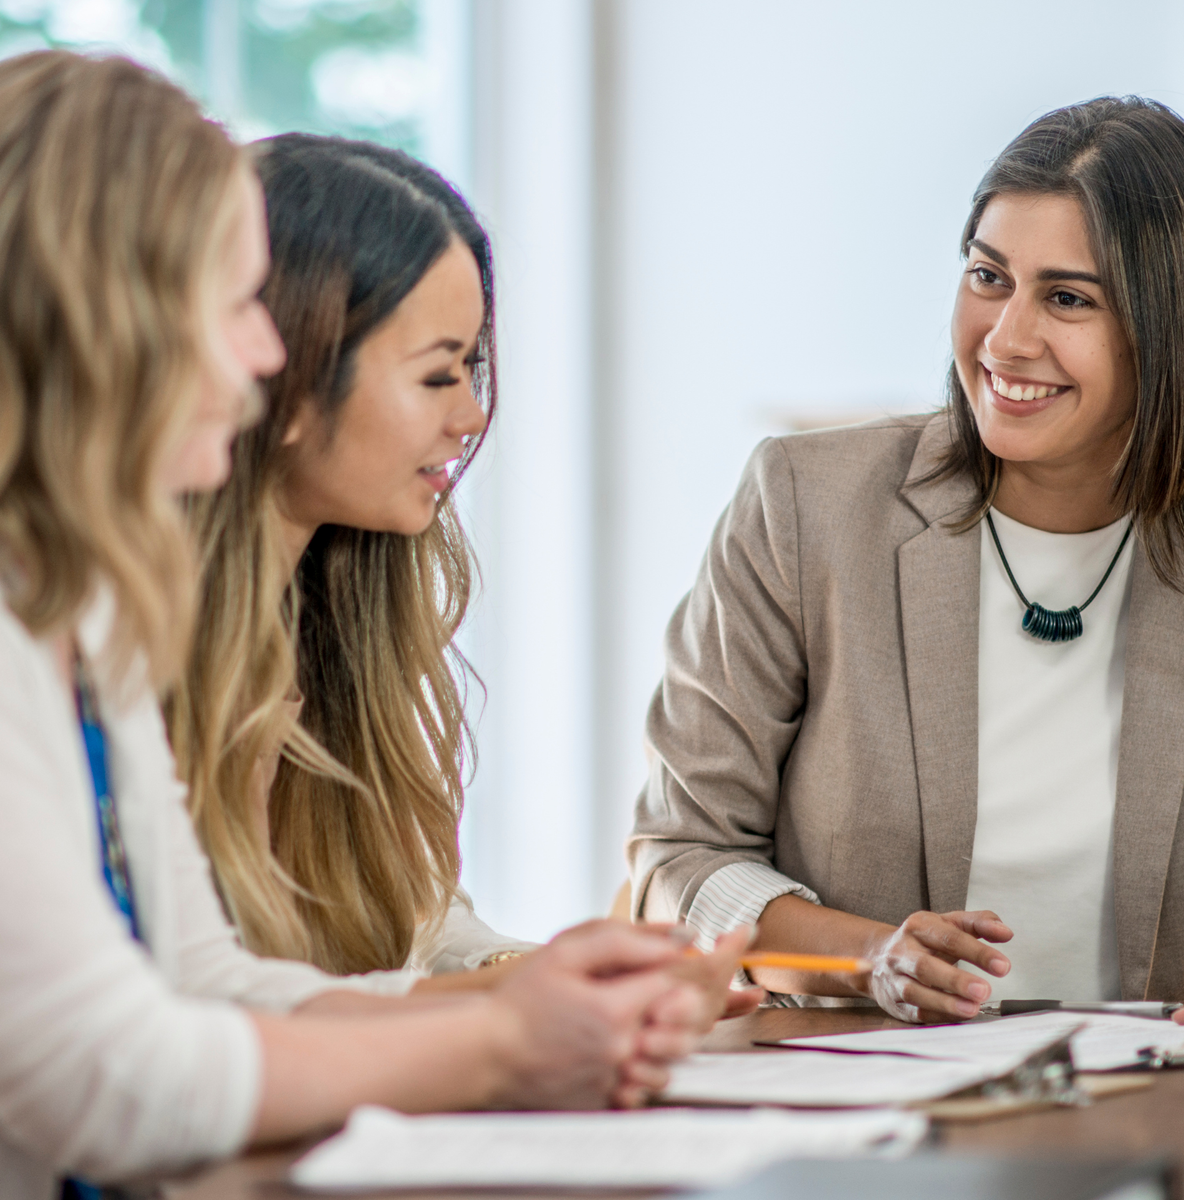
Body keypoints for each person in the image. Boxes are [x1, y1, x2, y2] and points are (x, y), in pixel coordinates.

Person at [0, 53, 709, 1200]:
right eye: (234, 304)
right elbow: (96, 1075)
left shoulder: (75, 610)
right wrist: (495, 1046)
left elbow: (202, 985)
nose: (262, 354)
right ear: (100, 314)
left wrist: (526, 998)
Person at [627, 96, 1184, 1038]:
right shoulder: (809, 505)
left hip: (1142, 1097)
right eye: (987, 276)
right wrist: (867, 956)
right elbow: (678, 859)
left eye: (1068, 297)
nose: (1005, 338)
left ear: (1168, 334)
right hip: (856, 1092)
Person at [168, 134, 757, 1018]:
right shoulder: (126, 651)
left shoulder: (336, 612)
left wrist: (528, 970)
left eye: (474, 366)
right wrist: (508, 1010)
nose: (473, 414)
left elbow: (406, 922)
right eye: (438, 373)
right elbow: (199, 1008)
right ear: (280, 370)